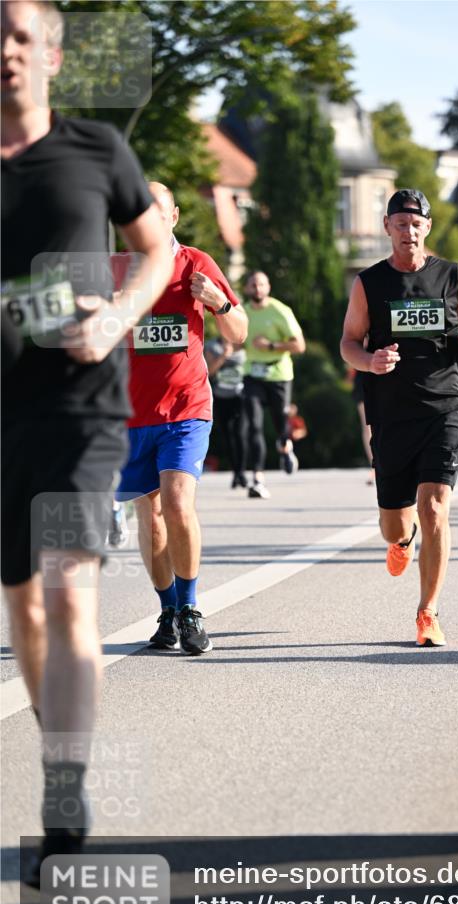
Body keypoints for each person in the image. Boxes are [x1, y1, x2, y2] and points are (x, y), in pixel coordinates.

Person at [1, 0, 172, 876]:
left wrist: (118, 320)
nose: (5, 51)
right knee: (23, 606)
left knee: (70, 588)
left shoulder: (96, 152)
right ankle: (55, 746)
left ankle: (64, 790)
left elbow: (158, 251)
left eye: (21, 37)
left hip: (81, 409)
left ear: (52, 57)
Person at [340, 189, 458, 647]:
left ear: (428, 227)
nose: (409, 231)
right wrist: (369, 362)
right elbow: (348, 341)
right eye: (400, 224)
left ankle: (428, 612)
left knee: (436, 506)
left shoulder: (451, 275)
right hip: (391, 414)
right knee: (396, 524)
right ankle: (401, 544)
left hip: (445, 405)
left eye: (416, 223)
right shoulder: (369, 283)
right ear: (387, 227)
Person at [114, 182, 247, 653]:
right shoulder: (114, 271)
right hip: (131, 415)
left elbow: (240, 330)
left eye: (157, 211)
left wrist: (220, 302)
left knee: (176, 502)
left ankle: (191, 609)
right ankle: (167, 610)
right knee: (149, 519)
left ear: (172, 218)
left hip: (187, 407)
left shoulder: (197, 264)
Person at [242, 271, 306, 499]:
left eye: (261, 284)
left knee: (281, 423)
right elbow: (234, 339)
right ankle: (257, 479)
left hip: (278, 373)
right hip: (252, 374)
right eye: (253, 285)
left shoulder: (280, 311)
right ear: (247, 288)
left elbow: (299, 346)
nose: (257, 289)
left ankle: (285, 446)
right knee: (254, 425)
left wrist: (269, 346)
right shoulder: (243, 312)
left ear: (268, 287)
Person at [205, 335, 248, 488]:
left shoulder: (244, 343)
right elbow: (209, 371)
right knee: (228, 436)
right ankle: (236, 473)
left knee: (240, 434)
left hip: (240, 396)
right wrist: (223, 356)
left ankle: (241, 472)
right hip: (221, 397)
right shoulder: (212, 346)